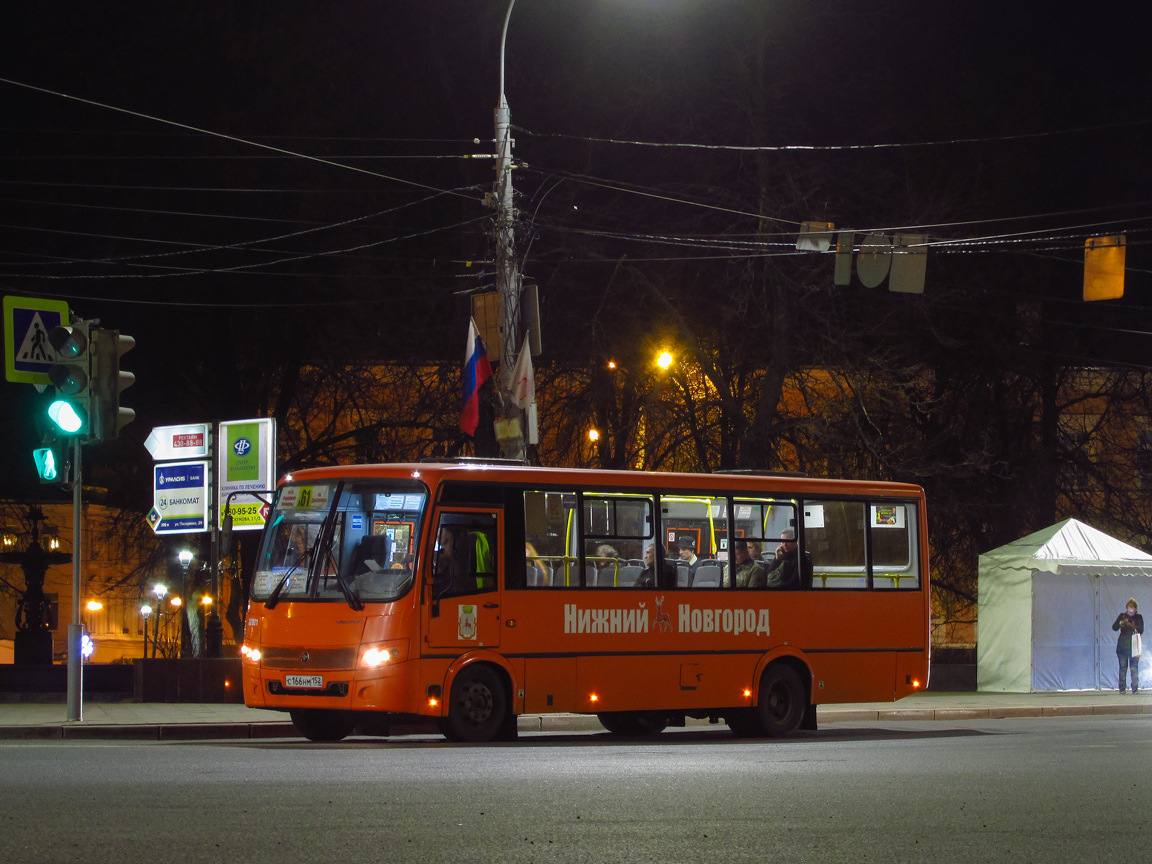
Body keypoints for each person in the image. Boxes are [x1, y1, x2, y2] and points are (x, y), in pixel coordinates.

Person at [1112, 598, 1144, 693]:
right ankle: (1122, 688)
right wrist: (1122, 623)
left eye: (1132, 612)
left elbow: (1141, 630)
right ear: (1127, 609)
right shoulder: (1122, 616)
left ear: (1136, 610)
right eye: (1129, 611)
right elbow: (1114, 627)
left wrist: (1132, 625)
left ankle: (1135, 688)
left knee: (1134, 668)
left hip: (1134, 646)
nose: (1130, 614)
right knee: (1123, 668)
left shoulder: (1138, 618)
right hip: (1122, 646)